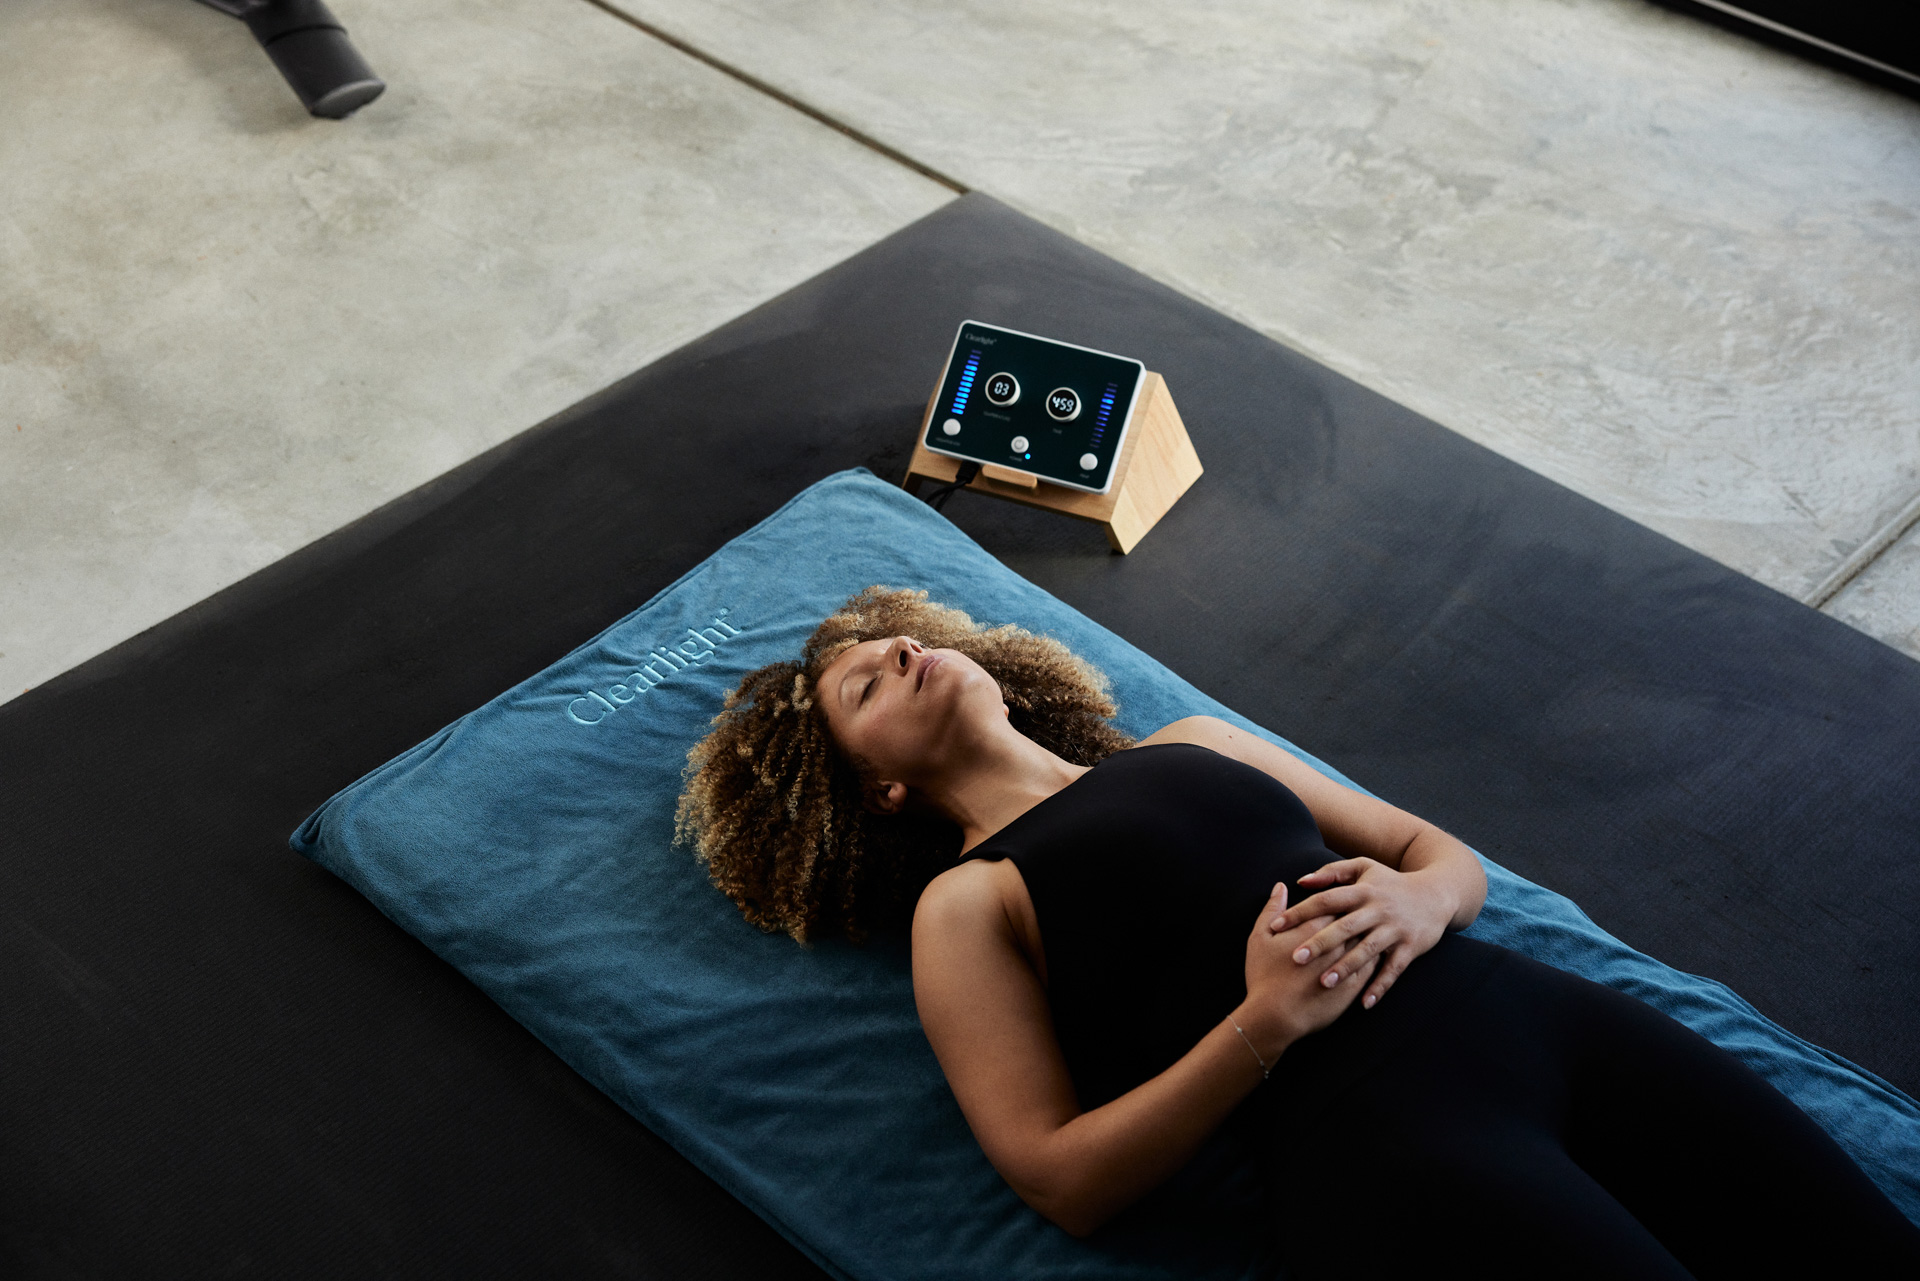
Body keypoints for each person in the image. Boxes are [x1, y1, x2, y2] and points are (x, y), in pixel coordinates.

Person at [677, 587, 1920, 1277]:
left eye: (903, 640)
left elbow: (1429, 849)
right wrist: (1262, 1025)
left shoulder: (1185, 743)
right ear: (875, 792)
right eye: (863, 685)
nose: (900, 650)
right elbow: (1060, 1180)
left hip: (1535, 1018)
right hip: (1381, 1147)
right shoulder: (968, 900)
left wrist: (1424, 897)